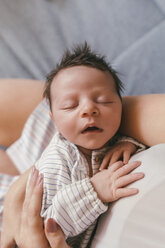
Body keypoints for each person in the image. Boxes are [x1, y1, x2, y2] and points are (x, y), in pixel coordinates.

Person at [1, 88, 165, 248]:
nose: (88, 108)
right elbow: (51, 224)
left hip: (57, 153)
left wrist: (13, 197)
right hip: (61, 177)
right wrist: (93, 191)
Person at [25, 43, 145, 248]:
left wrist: (130, 143)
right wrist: (95, 190)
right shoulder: (56, 162)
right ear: (54, 119)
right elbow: (47, 224)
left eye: (104, 100)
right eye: (71, 105)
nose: (89, 109)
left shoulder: (117, 140)